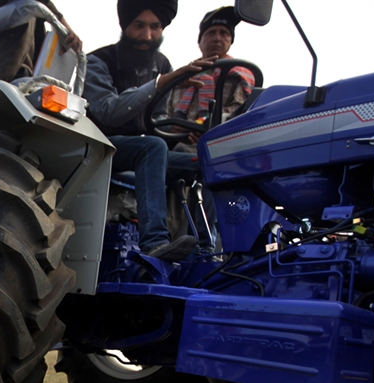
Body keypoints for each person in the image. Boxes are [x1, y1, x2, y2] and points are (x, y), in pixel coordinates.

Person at [83, 0, 217, 261]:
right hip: (100, 146)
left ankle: (205, 250)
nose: (147, 36)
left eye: (155, 27)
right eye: (139, 26)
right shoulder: (98, 61)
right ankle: (155, 243)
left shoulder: (161, 63)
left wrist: (181, 131)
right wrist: (160, 83)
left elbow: (157, 122)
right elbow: (108, 110)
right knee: (152, 148)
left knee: (208, 162)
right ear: (125, 25)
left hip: (143, 150)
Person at [166, 6, 255, 152]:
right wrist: (173, 127)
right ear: (200, 41)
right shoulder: (181, 77)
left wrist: (201, 125)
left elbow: (239, 112)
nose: (217, 38)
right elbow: (165, 115)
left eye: (224, 33)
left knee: (182, 152)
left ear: (230, 41)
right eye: (211, 32)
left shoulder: (239, 74)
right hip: (173, 142)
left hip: (218, 144)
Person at [0, 0, 82, 91]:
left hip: (18, 76)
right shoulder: (33, 5)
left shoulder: (35, 9)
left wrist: (64, 30)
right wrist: (63, 25)